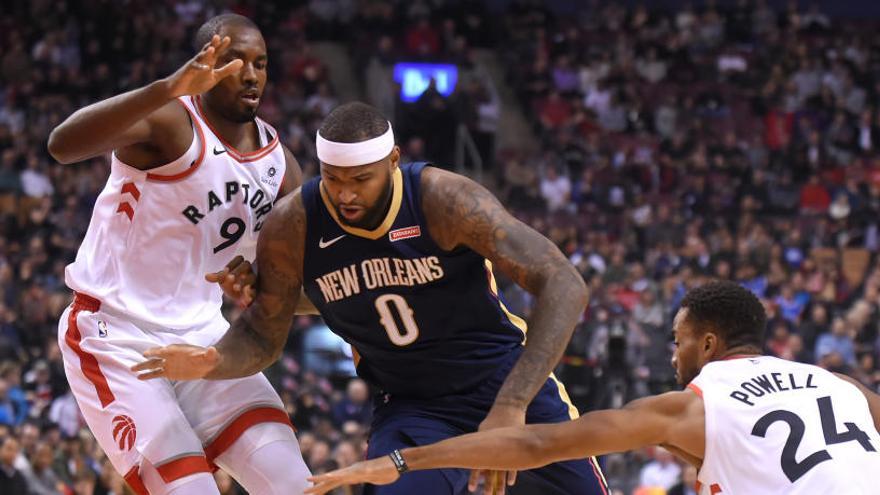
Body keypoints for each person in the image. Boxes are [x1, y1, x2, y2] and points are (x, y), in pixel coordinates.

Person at [134, 102, 609, 495]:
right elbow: (264, 333)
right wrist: (212, 360)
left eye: (360, 179)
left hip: (502, 382)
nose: (344, 193)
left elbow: (563, 283)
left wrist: (512, 404)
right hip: (412, 405)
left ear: (393, 160)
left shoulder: (443, 199)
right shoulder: (294, 224)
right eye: (333, 178)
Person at [46, 14, 311, 495]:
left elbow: (300, 286)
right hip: (115, 336)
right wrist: (166, 88)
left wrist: (259, 284)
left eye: (261, 63)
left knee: (297, 484)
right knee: (191, 489)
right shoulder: (172, 122)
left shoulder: (279, 164)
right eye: (235, 61)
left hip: (205, 335)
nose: (251, 74)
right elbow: (62, 145)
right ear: (206, 63)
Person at [303, 280, 880, 494]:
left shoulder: (691, 406)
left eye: (677, 341)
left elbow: (535, 444)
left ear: (706, 345)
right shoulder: (843, 386)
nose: (670, 353)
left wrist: (404, 460)